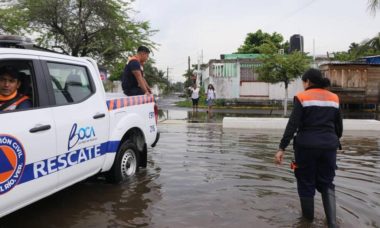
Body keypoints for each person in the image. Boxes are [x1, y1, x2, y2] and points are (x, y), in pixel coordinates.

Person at [274, 68, 342, 227]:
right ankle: (332, 224)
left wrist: (281, 148)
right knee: (327, 183)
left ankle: (307, 222)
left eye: (303, 82)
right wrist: (332, 141)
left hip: (306, 148)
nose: (303, 85)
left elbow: (293, 125)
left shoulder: (302, 97)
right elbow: (339, 127)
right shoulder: (334, 98)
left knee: (305, 182)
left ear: (308, 82)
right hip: (329, 147)